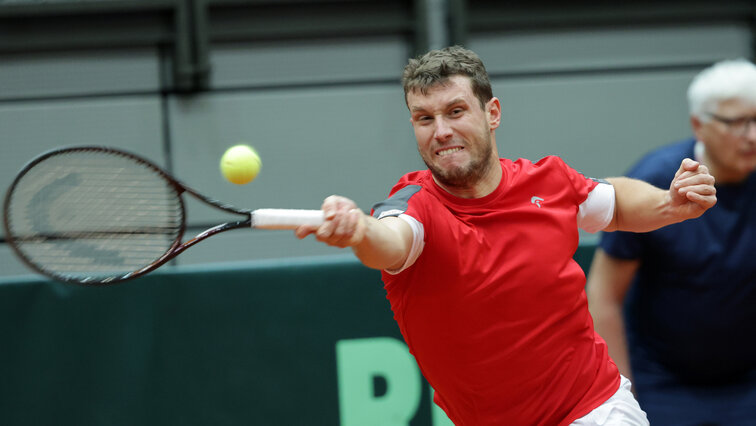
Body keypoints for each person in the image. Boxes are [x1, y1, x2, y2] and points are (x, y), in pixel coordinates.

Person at [296, 46, 717, 425]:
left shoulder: (549, 181)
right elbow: (388, 241)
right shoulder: (414, 205)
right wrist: (356, 231)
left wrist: (668, 204)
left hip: (593, 408)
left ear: (492, 113)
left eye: (455, 111)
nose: (440, 131)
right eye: (425, 118)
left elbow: (616, 202)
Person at [586, 59, 756, 425]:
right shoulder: (657, 181)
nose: (753, 135)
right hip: (663, 384)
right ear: (699, 125)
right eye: (737, 122)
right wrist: (621, 393)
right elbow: (603, 294)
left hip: (748, 382)